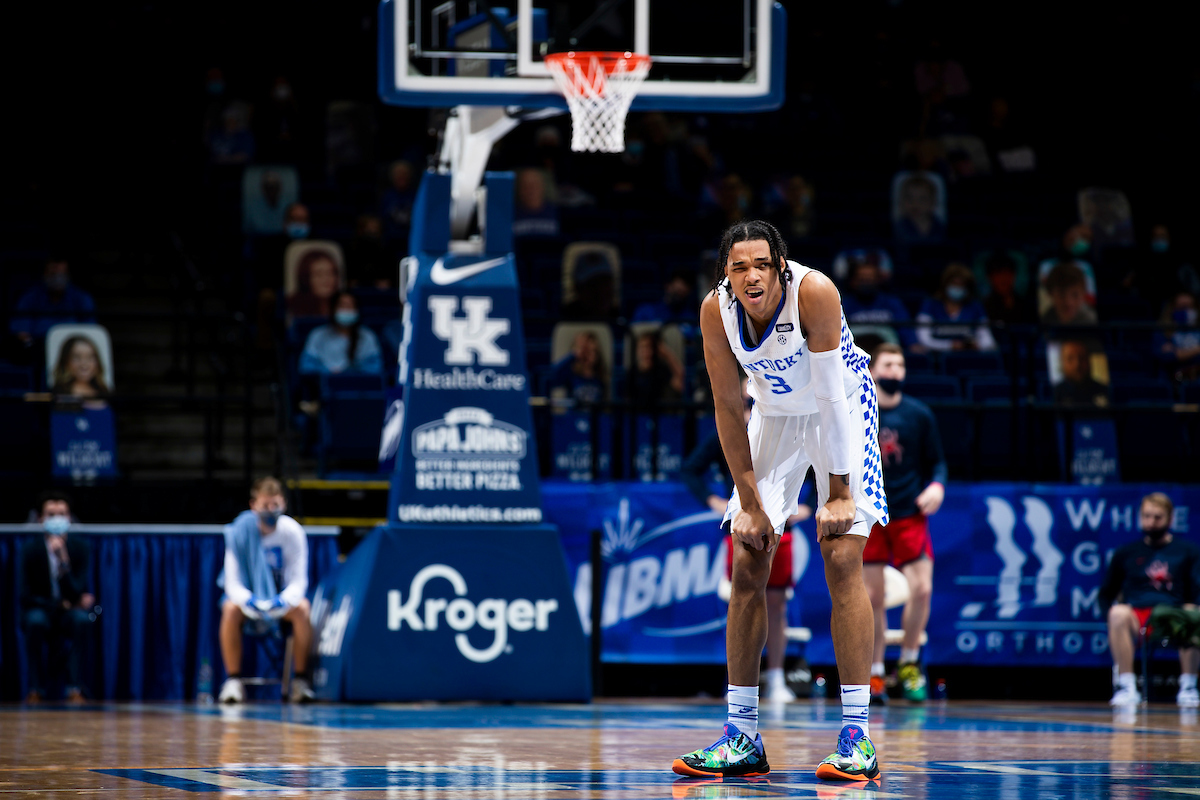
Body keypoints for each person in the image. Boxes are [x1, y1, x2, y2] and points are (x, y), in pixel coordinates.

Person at [672, 220, 886, 782]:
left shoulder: (813, 291)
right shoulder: (713, 311)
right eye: (738, 266)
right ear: (727, 273)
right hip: (772, 415)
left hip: (840, 406)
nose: (750, 275)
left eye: (760, 264)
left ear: (780, 267)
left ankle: (857, 737)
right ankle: (742, 735)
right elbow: (726, 406)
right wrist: (750, 501)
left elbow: (832, 396)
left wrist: (838, 493)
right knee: (748, 559)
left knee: (841, 554)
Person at [680, 375, 811, 702]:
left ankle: (777, 678)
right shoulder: (732, 430)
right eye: (746, 399)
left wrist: (811, 503)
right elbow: (691, 469)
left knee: (778, 605)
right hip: (743, 525)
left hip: (783, 527)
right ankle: (738, 685)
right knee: (741, 599)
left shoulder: (791, 425)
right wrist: (714, 501)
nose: (750, 404)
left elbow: (817, 465)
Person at [863, 344, 947, 704]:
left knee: (923, 589)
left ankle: (910, 664)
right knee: (872, 597)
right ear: (873, 370)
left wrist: (937, 487)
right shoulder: (859, 413)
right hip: (871, 513)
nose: (895, 371)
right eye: (888, 364)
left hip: (910, 513)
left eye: (900, 365)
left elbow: (938, 463)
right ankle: (875, 671)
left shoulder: (919, 414)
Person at [217, 477, 315, 704]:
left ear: (284, 505)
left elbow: (299, 580)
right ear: (253, 505)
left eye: (275, 505)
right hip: (248, 602)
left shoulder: (292, 531)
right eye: (265, 506)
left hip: (280, 602)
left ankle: (300, 681)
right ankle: (233, 681)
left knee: (303, 608)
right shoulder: (239, 531)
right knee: (229, 608)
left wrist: (282, 601)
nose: (271, 511)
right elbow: (232, 582)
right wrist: (249, 600)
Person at [1101, 492, 1200, 708]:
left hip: (1173, 614)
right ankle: (1127, 686)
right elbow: (1106, 592)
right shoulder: (1126, 553)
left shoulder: (1188, 551)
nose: (1151, 522)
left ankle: (1189, 686)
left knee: (1196, 614)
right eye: (1146, 516)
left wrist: (1192, 607)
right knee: (1117, 613)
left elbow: (1197, 588)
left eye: (1157, 517)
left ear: (1170, 519)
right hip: (1138, 617)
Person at [19, 491, 96, 703]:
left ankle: (74, 688)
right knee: (34, 621)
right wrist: (60, 603)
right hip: (41, 609)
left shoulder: (80, 548)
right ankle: (36, 688)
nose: (56, 519)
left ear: (69, 517)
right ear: (40, 518)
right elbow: (25, 595)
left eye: (61, 514)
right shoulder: (29, 550)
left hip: (68, 612)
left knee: (83, 620)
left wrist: (62, 561)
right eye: (51, 514)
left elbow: (77, 589)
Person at [10, 257, 97, 344]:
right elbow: (21, 331)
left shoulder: (81, 298)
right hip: (38, 348)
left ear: (68, 275)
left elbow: (90, 330)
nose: (57, 279)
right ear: (45, 274)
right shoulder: (30, 298)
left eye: (61, 274)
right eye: (53, 274)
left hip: (71, 349)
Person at [914, 263, 997, 351]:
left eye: (962, 285)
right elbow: (923, 340)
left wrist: (976, 346)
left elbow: (988, 341)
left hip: (970, 358)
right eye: (954, 283)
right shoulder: (930, 305)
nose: (958, 288)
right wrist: (950, 345)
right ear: (945, 284)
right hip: (938, 359)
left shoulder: (975, 307)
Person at [299, 292, 383, 375]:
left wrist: (350, 373)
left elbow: (376, 367)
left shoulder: (367, 336)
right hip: (324, 386)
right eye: (342, 306)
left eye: (350, 306)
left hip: (358, 386)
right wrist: (328, 372)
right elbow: (306, 366)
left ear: (357, 310)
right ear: (333, 309)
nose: (346, 310)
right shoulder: (317, 335)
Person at [546, 330, 607, 406]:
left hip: (594, 416)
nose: (587, 356)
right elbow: (549, 377)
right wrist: (573, 355)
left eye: (592, 351)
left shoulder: (601, 376)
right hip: (574, 416)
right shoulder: (571, 374)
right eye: (585, 352)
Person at [627, 329, 684, 408]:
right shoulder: (632, 372)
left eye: (649, 347)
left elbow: (681, 385)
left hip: (660, 416)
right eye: (642, 347)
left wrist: (667, 355)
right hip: (637, 416)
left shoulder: (661, 370)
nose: (646, 352)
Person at [288, 247, 342, 320]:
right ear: (306, 279)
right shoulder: (293, 308)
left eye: (330, 273)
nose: (326, 279)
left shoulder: (343, 304)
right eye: (318, 274)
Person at [1052, 339, 1109, 407]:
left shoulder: (1104, 391)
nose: (1077, 364)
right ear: (1062, 362)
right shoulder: (1054, 394)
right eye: (1070, 358)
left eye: (1082, 358)